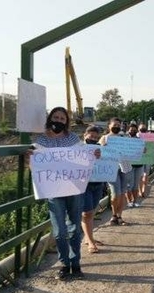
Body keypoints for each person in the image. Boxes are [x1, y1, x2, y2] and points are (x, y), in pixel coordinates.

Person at [34, 107, 88, 280]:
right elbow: (36, 162)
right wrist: (30, 157)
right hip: (53, 189)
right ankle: (64, 263)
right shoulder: (41, 140)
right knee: (59, 230)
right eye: (55, 117)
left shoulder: (73, 139)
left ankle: (75, 263)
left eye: (62, 118)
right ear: (50, 118)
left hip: (73, 187)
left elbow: (84, 156)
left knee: (74, 227)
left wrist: (93, 153)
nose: (58, 120)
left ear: (66, 122)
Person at [99, 117, 132, 226]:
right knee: (115, 193)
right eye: (115, 125)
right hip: (111, 169)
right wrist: (102, 148)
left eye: (119, 125)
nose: (117, 126)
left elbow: (132, 150)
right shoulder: (104, 138)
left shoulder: (124, 138)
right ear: (109, 126)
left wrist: (141, 150)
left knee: (122, 193)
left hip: (124, 167)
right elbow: (97, 152)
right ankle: (113, 214)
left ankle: (119, 216)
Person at [81, 125, 104, 254]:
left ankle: (87, 237)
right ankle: (90, 241)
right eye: (91, 136)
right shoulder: (78, 149)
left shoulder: (100, 149)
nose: (94, 138)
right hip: (84, 185)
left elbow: (108, 161)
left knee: (92, 210)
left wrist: (102, 155)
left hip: (97, 183)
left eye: (96, 137)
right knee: (86, 213)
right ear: (85, 135)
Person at [125, 123, 144, 208]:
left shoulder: (140, 140)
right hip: (128, 165)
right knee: (129, 185)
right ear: (128, 130)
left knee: (135, 185)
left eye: (134, 130)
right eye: (131, 130)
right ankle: (129, 201)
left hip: (138, 165)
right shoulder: (124, 140)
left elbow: (144, 151)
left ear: (137, 131)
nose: (132, 131)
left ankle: (135, 201)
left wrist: (145, 150)